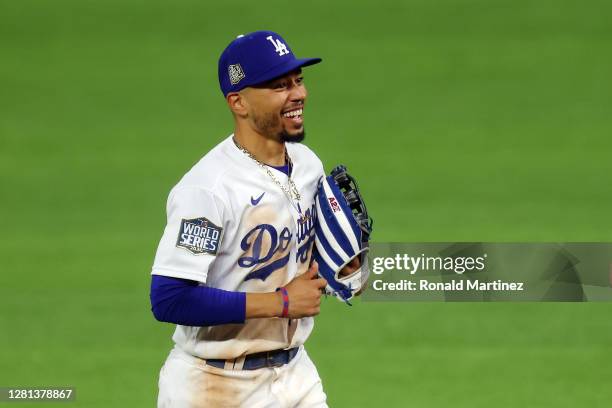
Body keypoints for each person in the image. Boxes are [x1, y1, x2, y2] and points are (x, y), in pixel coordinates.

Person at [150, 30, 357, 407]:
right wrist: (279, 303)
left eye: (298, 81)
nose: (298, 94)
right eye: (279, 86)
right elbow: (169, 299)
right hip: (213, 384)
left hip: (295, 376)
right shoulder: (209, 189)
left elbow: (304, 262)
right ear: (239, 103)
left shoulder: (308, 164)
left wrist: (342, 269)